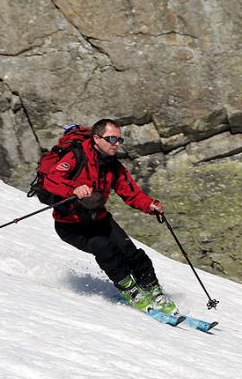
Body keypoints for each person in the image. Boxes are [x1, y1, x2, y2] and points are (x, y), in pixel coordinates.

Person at [42, 118, 178, 315]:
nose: (116, 144)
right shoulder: (75, 156)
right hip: (71, 225)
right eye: (111, 139)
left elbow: (131, 193)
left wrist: (149, 205)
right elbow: (52, 180)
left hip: (99, 219)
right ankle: (132, 292)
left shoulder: (113, 165)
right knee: (105, 249)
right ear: (96, 138)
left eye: (119, 140)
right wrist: (74, 188)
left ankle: (154, 292)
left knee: (130, 251)